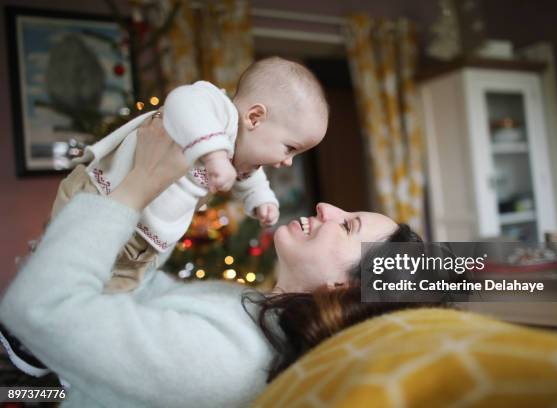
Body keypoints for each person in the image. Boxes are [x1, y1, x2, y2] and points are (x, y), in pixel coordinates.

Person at [0, 116, 430, 407]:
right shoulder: (252, 307)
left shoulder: (232, 361)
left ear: (343, 288)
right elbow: (135, 290)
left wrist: (136, 189)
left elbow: (38, 310)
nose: (326, 208)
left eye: (348, 226)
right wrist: (174, 198)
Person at [50, 56, 329, 294]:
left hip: (143, 244)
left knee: (110, 299)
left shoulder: (246, 159)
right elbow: (182, 101)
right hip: (101, 198)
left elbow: (252, 178)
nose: (289, 162)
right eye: (290, 148)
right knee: (63, 268)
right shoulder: (218, 112)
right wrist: (214, 155)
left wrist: (261, 199)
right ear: (254, 117)